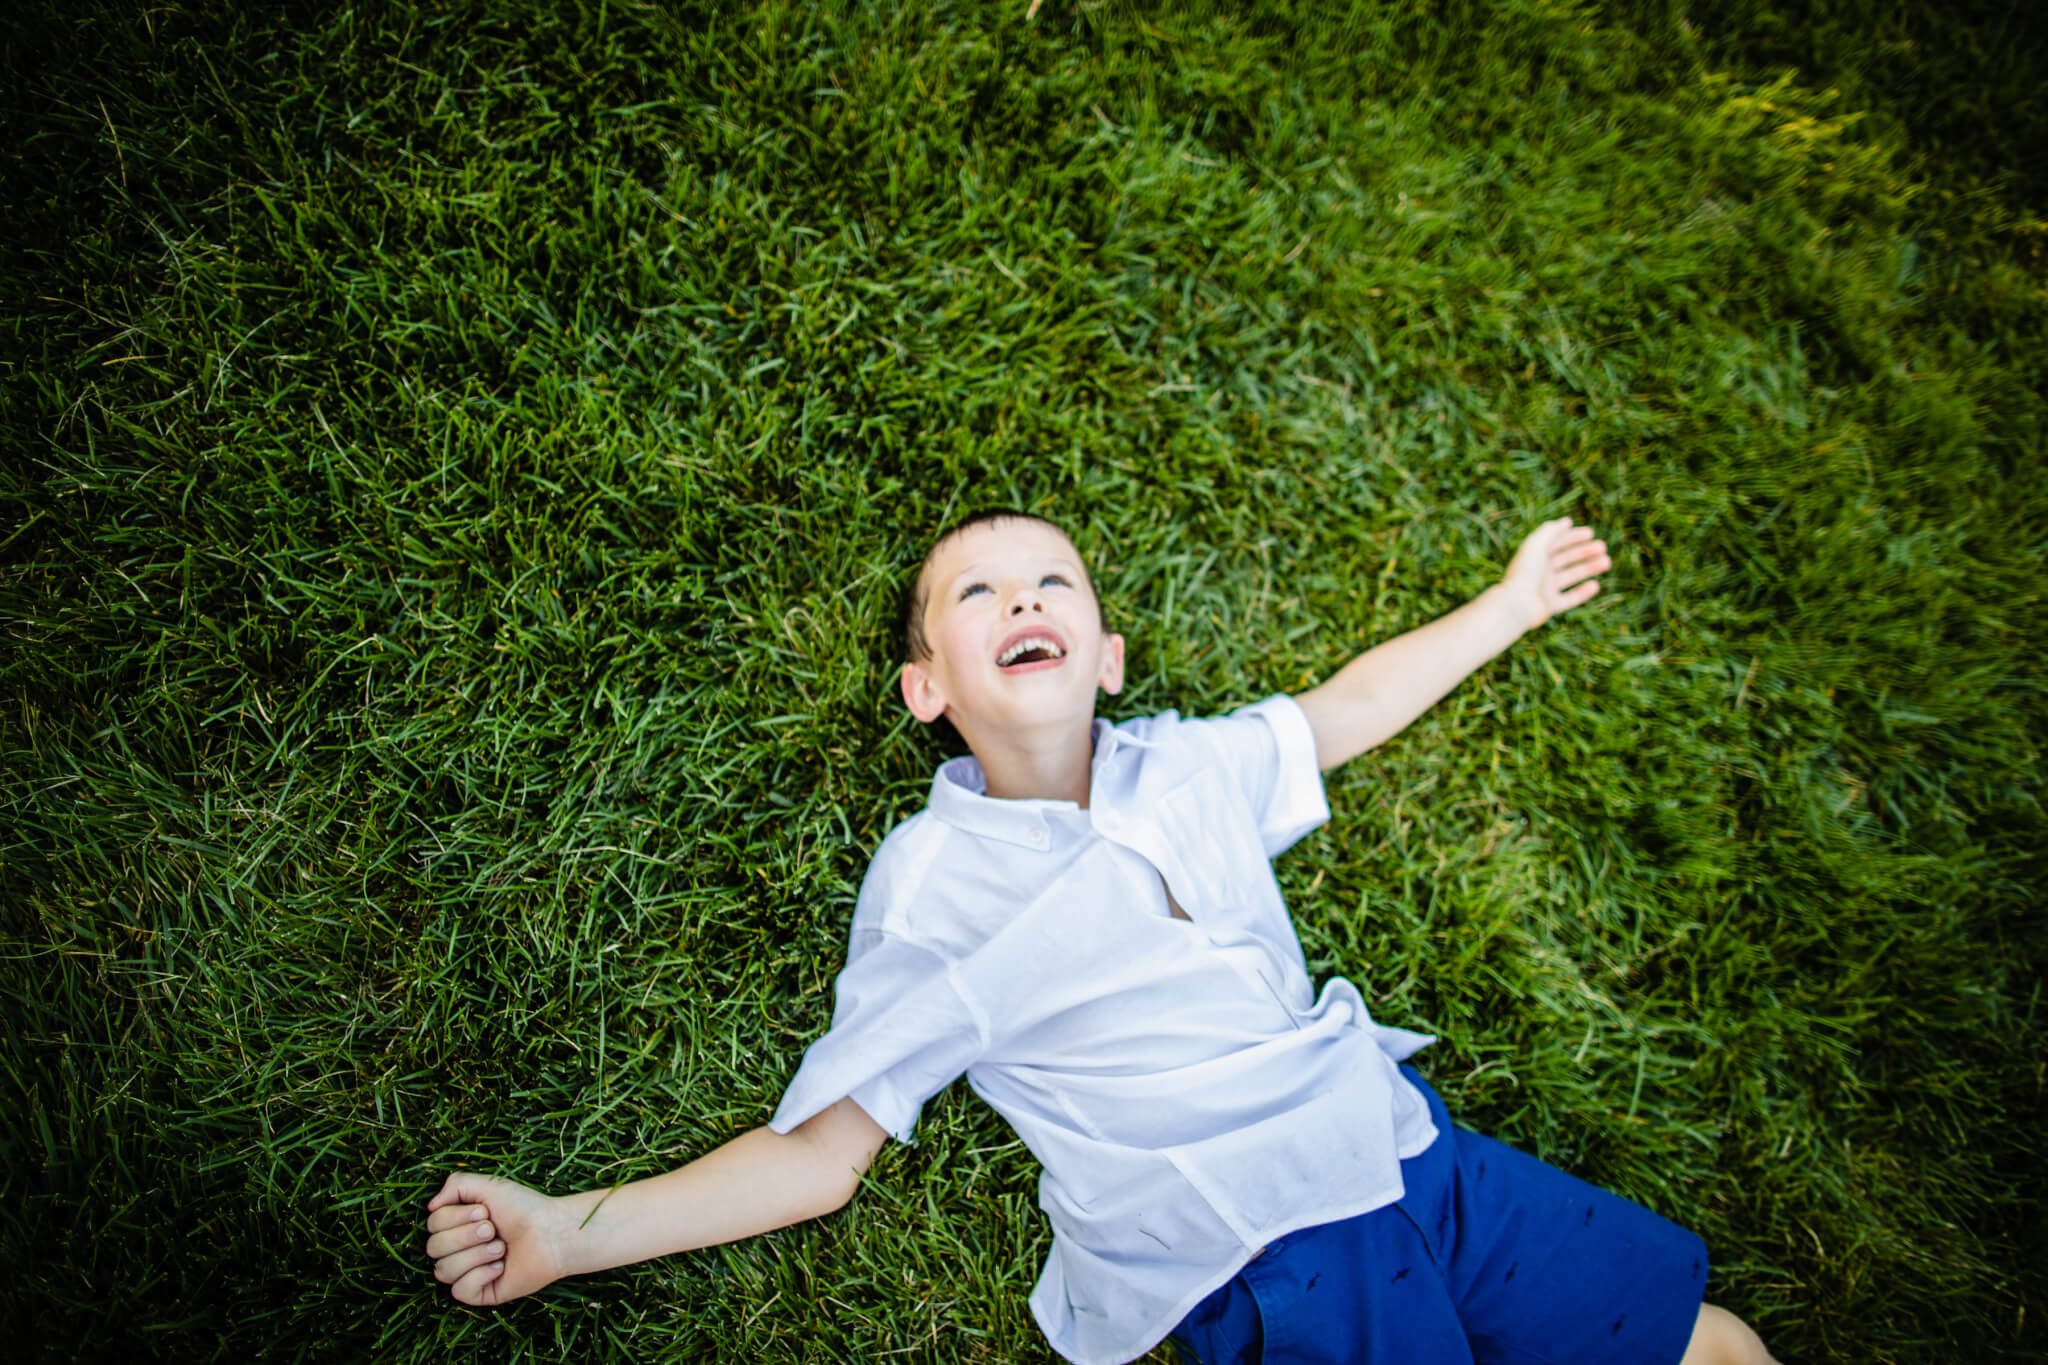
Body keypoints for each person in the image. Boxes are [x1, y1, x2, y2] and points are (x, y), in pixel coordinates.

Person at [424, 510, 1776, 1365]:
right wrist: (573, 1230)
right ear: (925, 687)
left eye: (1052, 579)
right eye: (978, 594)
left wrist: (1515, 598)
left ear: (1109, 654)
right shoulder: (936, 885)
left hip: (1408, 1149)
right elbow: (820, 1153)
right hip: (1266, 1241)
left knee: (1713, 1340)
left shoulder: (1190, 767)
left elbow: (1347, 707)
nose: (1023, 600)